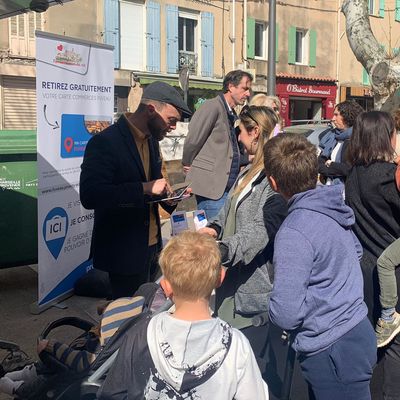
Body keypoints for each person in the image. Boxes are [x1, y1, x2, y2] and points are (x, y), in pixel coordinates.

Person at [264, 133, 376, 400]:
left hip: (331, 347)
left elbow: (287, 313)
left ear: (273, 182)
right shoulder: (333, 203)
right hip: (358, 329)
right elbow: (356, 251)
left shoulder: (293, 231)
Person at [98, 231, 270, 400]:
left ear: (165, 287)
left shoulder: (141, 333)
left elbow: (112, 393)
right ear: (220, 277)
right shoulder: (236, 344)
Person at [80, 81, 192, 299]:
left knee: (144, 314)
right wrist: (144, 188)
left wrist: (170, 198)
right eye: (171, 120)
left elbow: (153, 188)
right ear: (151, 110)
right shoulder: (105, 143)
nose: (173, 128)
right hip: (122, 254)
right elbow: (91, 195)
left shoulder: (151, 142)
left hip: (151, 250)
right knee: (125, 322)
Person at [198, 105, 287, 372]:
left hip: (253, 293)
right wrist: (213, 229)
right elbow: (228, 212)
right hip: (230, 285)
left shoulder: (272, 180)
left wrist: (222, 251)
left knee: (250, 369)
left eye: (240, 131)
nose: (238, 137)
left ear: (255, 132)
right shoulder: (246, 172)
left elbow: (259, 231)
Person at [345, 111, 400, 399]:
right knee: (396, 349)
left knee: (376, 343)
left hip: (365, 270)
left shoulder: (353, 174)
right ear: (386, 136)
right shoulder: (388, 177)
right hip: (393, 271)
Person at [0, 296, 145, 398]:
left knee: (48, 377)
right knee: (44, 365)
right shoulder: (113, 336)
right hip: (73, 353)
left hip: (71, 370)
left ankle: (18, 389)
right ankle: (28, 373)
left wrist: (52, 346)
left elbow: (85, 362)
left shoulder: (102, 352)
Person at [182, 70, 253, 219]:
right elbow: (193, 139)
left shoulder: (230, 112)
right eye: (245, 88)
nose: (247, 94)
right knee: (214, 238)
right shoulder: (212, 106)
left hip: (224, 188)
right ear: (231, 86)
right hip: (212, 189)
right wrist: (187, 162)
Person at [318, 100, 363, 184]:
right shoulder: (332, 136)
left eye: (336, 115)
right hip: (329, 187)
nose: (333, 119)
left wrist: (331, 165)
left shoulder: (358, 139)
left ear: (347, 116)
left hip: (346, 191)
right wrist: (330, 168)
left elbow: (351, 169)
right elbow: (320, 162)